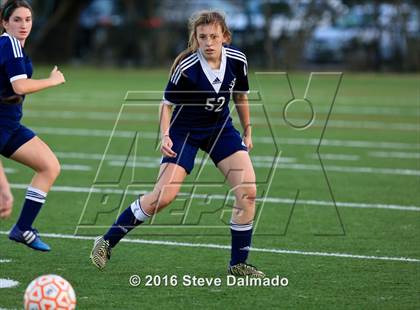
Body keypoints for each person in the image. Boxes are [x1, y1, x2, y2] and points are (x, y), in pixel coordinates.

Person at [90, 10, 264, 277]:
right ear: (195, 38)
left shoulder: (238, 61)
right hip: (184, 133)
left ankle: (238, 263)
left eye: (214, 36)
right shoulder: (187, 68)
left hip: (220, 130)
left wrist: (248, 131)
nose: (208, 42)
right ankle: (106, 242)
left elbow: (240, 96)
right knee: (163, 197)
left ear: (225, 37)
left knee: (248, 192)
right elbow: (166, 105)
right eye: (202, 36)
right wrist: (165, 135)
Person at [0, 0, 65, 251]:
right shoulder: (11, 44)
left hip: (10, 126)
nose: (23, 24)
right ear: (5, 23)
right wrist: (52, 80)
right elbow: (20, 86)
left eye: (27, 19)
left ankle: (23, 228)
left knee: (49, 166)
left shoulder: (11, 46)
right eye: (16, 19)